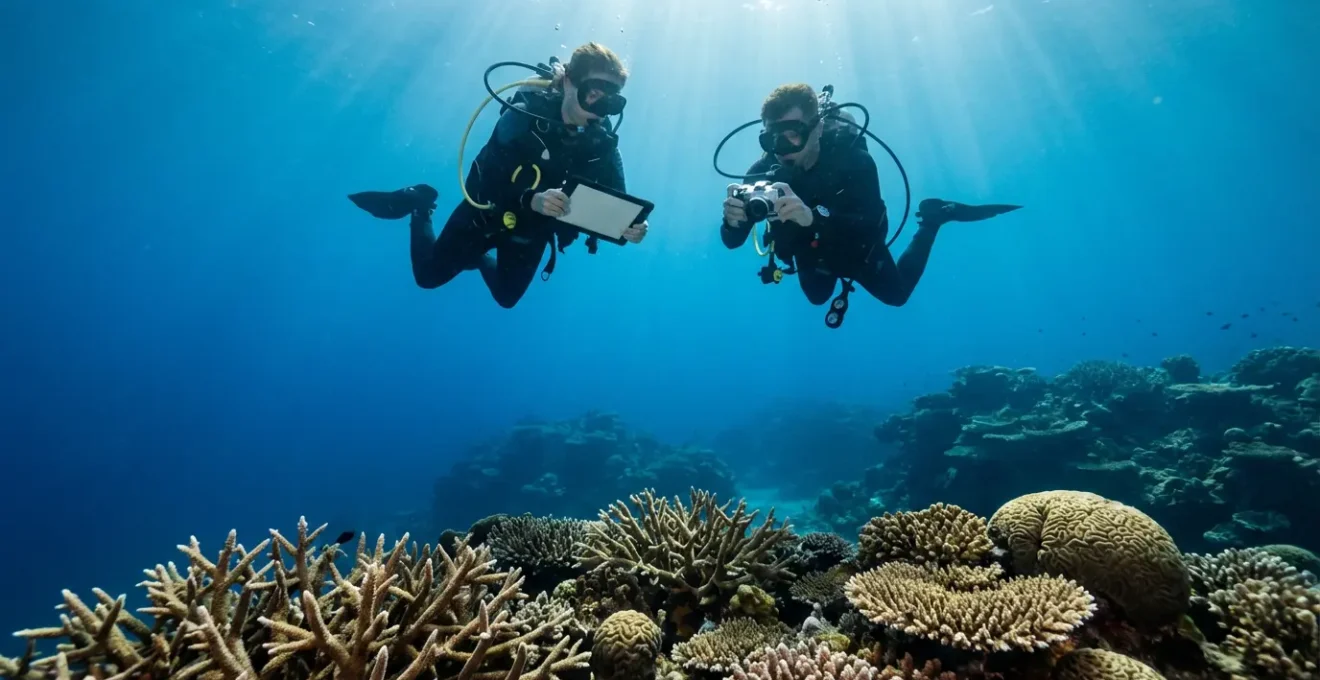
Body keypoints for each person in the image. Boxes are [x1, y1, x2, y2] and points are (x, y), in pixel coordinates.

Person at [350, 43, 648, 308]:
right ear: (569, 82)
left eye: (611, 102)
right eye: (594, 94)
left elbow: (615, 200)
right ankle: (421, 204)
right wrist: (531, 200)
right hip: (485, 213)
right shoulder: (524, 115)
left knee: (506, 298)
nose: (600, 111)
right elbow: (487, 180)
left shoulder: (603, 143)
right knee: (427, 277)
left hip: (531, 231)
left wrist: (629, 226)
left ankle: (476, 257)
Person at [720, 83, 1015, 309]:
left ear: (818, 128)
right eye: (771, 138)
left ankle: (934, 218)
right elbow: (732, 241)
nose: (782, 148)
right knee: (817, 298)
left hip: (858, 248)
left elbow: (870, 224)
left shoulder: (853, 161)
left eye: (793, 134)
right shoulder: (762, 172)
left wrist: (813, 218)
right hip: (809, 252)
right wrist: (733, 222)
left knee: (897, 296)